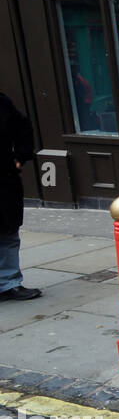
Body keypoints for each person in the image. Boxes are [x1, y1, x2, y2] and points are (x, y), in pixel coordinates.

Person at [0, 91, 40, 301]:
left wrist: (21, 155)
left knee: (7, 232)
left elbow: (22, 126)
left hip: (3, 178)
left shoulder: (1, 101)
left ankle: (8, 283)